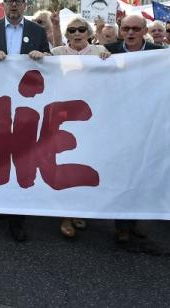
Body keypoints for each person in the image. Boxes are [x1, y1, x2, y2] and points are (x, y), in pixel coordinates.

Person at [0, 0, 48, 242]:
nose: (13, 5)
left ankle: (18, 218)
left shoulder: (37, 32)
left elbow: (51, 63)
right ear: (2, 5)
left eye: (18, 2)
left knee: (22, 156)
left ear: (25, 5)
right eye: (9, 1)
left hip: (28, 106)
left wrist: (43, 56)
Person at [50, 17, 110, 238]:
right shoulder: (56, 53)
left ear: (89, 32)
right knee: (65, 163)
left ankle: (80, 208)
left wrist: (109, 59)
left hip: (91, 119)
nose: (77, 33)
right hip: (63, 118)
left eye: (81, 29)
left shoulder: (100, 51)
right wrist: (37, 57)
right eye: (72, 30)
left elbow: (115, 73)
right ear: (66, 34)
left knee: (86, 163)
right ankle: (65, 214)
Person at [104, 14, 162, 243]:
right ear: (120, 29)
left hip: (147, 121)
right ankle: (122, 225)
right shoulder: (109, 50)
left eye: (135, 29)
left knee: (143, 169)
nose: (130, 33)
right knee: (121, 171)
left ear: (144, 30)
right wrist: (98, 59)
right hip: (117, 121)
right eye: (126, 28)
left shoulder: (158, 52)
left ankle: (137, 217)